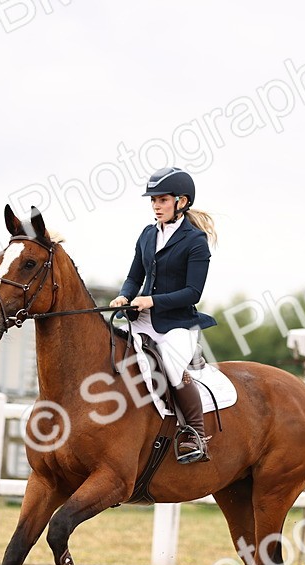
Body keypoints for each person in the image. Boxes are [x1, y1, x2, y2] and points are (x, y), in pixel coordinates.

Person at [110, 166, 218, 464]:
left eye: (162, 200)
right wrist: (124, 295)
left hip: (176, 324)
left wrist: (152, 301)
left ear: (181, 202)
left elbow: (192, 293)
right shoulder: (147, 235)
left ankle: (195, 434)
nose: (156, 206)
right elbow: (134, 277)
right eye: (153, 201)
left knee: (170, 368)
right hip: (141, 320)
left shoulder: (195, 241)